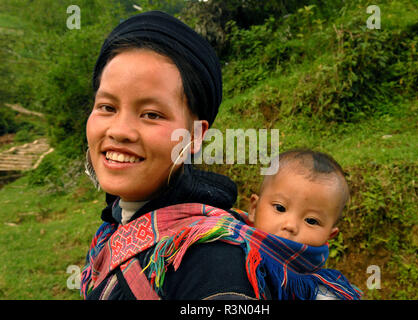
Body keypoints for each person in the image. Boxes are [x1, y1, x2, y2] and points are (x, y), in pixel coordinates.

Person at [80, 10, 361, 300]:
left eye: (151, 114)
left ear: (196, 135)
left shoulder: (212, 261)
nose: (120, 130)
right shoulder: (113, 227)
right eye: (107, 107)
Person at [247, 149, 361, 299]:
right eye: (280, 208)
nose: (291, 226)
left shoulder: (324, 291)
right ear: (254, 209)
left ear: (329, 235)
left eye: (311, 221)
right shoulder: (227, 246)